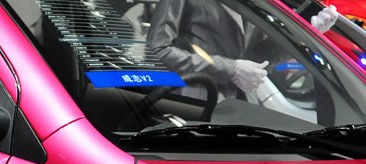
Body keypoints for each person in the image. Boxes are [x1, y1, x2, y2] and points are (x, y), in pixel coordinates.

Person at [146, 0, 340, 100]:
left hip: (240, 108)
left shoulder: (259, 4)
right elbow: (158, 50)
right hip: (194, 103)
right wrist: (231, 68)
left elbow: (258, 59)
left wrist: (304, 35)